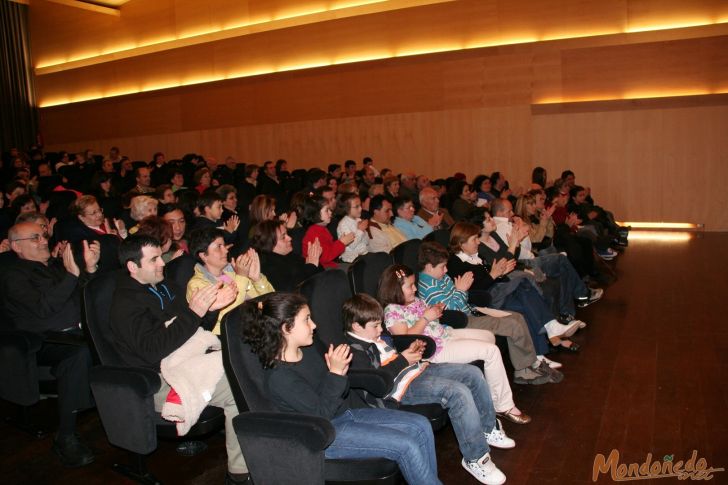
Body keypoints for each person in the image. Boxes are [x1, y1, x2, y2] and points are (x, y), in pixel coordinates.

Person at [240, 292, 442, 485]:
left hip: (345, 413)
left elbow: (338, 389)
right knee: (406, 445)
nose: (314, 325)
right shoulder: (280, 377)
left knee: (421, 425)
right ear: (286, 328)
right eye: (307, 319)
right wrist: (336, 374)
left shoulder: (308, 349)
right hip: (325, 434)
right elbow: (321, 414)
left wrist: (339, 372)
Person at [110, 235, 249, 484]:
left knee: (246, 362)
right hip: (158, 379)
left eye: (160, 258)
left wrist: (211, 309)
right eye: (153, 260)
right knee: (237, 384)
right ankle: (239, 474)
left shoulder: (166, 286)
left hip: (188, 360)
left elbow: (192, 329)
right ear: (133, 267)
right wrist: (195, 312)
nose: (162, 263)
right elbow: (154, 351)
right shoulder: (125, 304)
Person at [344, 294, 510, 484]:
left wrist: (411, 350)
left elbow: (393, 354)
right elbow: (380, 385)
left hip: (417, 370)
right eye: (375, 326)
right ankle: (476, 458)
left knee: (472, 373)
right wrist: (403, 360)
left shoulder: (374, 336)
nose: (380, 329)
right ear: (356, 326)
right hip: (403, 388)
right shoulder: (353, 350)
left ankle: (487, 428)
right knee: (458, 392)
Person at [378, 264, 531, 424]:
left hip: (445, 335)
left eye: (414, 284)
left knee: (488, 337)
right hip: (433, 349)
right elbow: (405, 339)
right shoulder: (392, 310)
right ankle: (503, 405)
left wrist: (435, 312)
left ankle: (485, 391)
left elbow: (429, 320)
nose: (415, 288)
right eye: (410, 286)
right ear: (395, 289)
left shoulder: (414, 301)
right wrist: (426, 318)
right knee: (491, 351)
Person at [1, 222, 98, 467]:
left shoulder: (56, 266)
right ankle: (65, 436)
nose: (44, 240)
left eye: (43, 235)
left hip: (77, 332)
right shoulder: (14, 274)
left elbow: (82, 293)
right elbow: (43, 309)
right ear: (16, 247)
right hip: (42, 340)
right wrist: (72, 275)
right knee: (79, 354)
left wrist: (90, 268)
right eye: (34, 238)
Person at [186, 228, 274, 334]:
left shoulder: (228, 275)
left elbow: (272, 300)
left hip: (253, 327)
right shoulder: (197, 284)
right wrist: (242, 276)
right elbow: (228, 315)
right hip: (227, 338)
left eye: (224, 245)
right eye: (219, 247)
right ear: (203, 255)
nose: (226, 250)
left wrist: (257, 279)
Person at [250, 220, 323, 291]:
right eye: (283, 237)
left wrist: (314, 259)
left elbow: (318, 272)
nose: (290, 238)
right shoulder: (268, 267)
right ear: (270, 244)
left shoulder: (289, 255)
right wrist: (311, 265)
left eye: (287, 234)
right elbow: (291, 290)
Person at [301, 194, 354, 268]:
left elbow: (329, 249)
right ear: (316, 214)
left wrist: (342, 242)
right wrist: (342, 243)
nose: (330, 212)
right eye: (326, 210)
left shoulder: (321, 228)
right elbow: (325, 257)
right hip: (321, 270)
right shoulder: (313, 233)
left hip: (329, 265)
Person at [335, 193, 368, 263]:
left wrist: (364, 231)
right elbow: (352, 245)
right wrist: (361, 230)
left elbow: (366, 242)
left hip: (363, 254)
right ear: (346, 209)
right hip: (351, 259)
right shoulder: (343, 224)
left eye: (360, 205)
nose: (361, 208)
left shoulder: (358, 220)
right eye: (356, 206)